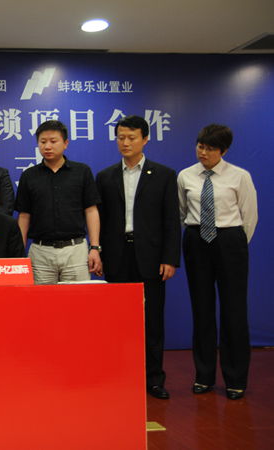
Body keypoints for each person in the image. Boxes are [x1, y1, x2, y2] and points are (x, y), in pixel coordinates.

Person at [96, 115, 181, 400]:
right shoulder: (105, 176)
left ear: (145, 139)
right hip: (117, 256)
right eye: (120, 137)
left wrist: (170, 258)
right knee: (117, 322)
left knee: (152, 321)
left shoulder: (164, 175)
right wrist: (99, 252)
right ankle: (120, 376)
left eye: (131, 138)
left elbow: (171, 221)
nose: (125, 143)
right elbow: (101, 219)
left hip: (151, 257)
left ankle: (154, 379)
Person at [178, 124, 257, 400]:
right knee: (202, 309)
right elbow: (182, 211)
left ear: (223, 151)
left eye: (210, 148)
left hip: (230, 241)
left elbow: (249, 216)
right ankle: (204, 376)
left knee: (234, 311)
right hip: (196, 240)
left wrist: (233, 243)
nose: (203, 152)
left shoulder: (240, 176)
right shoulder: (185, 176)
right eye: (200, 146)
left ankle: (236, 379)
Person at [14, 120, 102, 284]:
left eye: (53, 141)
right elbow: (24, 216)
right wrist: (19, 253)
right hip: (40, 253)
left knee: (77, 299)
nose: (47, 146)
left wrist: (95, 248)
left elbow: (91, 211)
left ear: (65, 143)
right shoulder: (29, 176)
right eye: (43, 142)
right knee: (41, 300)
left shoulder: (82, 172)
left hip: (75, 251)